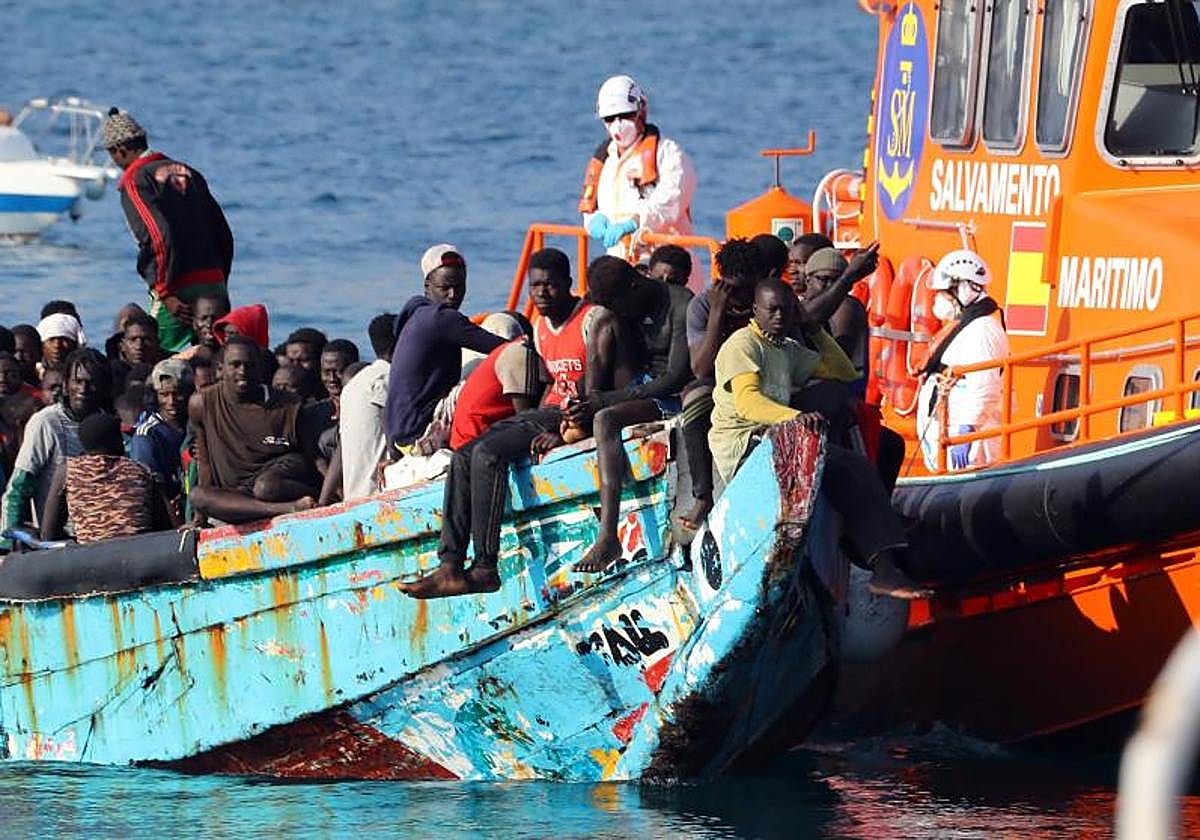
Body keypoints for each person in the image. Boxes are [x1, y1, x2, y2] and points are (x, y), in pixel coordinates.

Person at [399, 250, 623, 599]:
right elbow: (550, 383)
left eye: (550, 285)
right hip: (548, 411)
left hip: (571, 413)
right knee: (463, 456)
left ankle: (485, 567)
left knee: (488, 453)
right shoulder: (542, 329)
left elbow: (595, 392)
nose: (541, 294)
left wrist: (560, 432)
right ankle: (450, 565)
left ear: (568, 285)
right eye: (535, 286)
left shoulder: (591, 320)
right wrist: (530, 416)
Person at [710, 278, 930, 599]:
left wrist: (813, 328)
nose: (780, 317)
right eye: (771, 310)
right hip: (746, 442)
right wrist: (795, 417)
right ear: (755, 310)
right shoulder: (743, 345)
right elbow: (748, 403)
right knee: (850, 467)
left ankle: (878, 558)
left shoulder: (783, 348)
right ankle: (881, 565)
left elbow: (844, 372)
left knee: (833, 394)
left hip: (778, 434)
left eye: (787, 310)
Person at [569, 256, 693, 572]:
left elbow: (677, 376)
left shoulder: (680, 303)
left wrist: (609, 400)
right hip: (638, 382)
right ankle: (583, 413)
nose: (619, 309)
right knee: (602, 320)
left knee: (605, 419)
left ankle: (608, 537)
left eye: (617, 301)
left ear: (634, 285)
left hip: (671, 393)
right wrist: (593, 395)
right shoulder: (621, 307)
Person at [102, 109, 234, 354]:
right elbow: (224, 234)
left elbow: (158, 236)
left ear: (120, 149)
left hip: (177, 287)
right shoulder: (189, 172)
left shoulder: (135, 179)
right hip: (214, 281)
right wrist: (220, 280)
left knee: (147, 354)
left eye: (112, 155)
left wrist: (164, 290)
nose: (115, 162)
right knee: (214, 356)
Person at [677, 239, 764, 530]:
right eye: (731, 287)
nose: (738, 296)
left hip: (763, 380)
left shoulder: (766, 302)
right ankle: (703, 495)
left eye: (745, 288)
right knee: (693, 397)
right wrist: (718, 313)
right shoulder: (702, 305)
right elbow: (700, 368)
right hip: (718, 384)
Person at [385, 244, 505, 452]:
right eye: (445, 288)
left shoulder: (415, 315)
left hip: (399, 433)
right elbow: (502, 348)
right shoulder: (441, 318)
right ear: (427, 286)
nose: (453, 295)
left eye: (460, 287)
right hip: (421, 429)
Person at [579, 75, 698, 286]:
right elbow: (591, 205)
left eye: (625, 115)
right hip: (620, 264)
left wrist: (634, 222)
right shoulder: (605, 161)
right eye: (610, 118)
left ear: (640, 112)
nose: (618, 125)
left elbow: (672, 199)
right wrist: (593, 222)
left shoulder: (667, 153)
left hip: (668, 267)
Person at [187, 336, 320, 524]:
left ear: (259, 369)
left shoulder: (287, 404)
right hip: (240, 493)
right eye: (235, 365)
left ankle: (301, 504)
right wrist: (199, 519)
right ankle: (287, 509)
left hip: (279, 477)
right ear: (220, 370)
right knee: (198, 497)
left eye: (249, 365)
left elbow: (314, 457)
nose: (243, 372)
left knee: (266, 487)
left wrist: (333, 497)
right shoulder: (201, 404)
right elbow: (205, 463)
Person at [1, 348, 112, 541]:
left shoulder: (107, 424)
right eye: (78, 382)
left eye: (91, 383)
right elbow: (18, 488)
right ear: (66, 384)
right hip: (57, 539)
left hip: (100, 535)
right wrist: (9, 541)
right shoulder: (46, 422)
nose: (83, 390)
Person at [916, 249, 1010, 471]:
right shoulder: (967, 326)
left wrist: (967, 429)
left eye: (945, 293)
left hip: (971, 446)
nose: (938, 299)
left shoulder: (982, 331)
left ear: (965, 288)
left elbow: (985, 387)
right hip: (950, 436)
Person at [41, 412, 174, 543]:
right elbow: (165, 526)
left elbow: (48, 534)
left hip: (91, 557)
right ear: (118, 441)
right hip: (139, 555)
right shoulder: (142, 471)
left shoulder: (68, 471)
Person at [449, 313, 540, 451]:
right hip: (475, 444)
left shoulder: (484, 361)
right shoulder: (518, 353)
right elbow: (526, 418)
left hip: (463, 441)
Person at [338, 313, 397, 501]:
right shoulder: (386, 378)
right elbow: (392, 437)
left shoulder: (356, 382)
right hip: (376, 491)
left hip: (354, 492)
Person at [130, 358, 194, 518]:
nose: (171, 402)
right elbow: (153, 490)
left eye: (178, 394)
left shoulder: (200, 425)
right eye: (164, 395)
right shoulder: (147, 434)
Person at [801, 247, 870, 387]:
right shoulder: (799, 305)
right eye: (824, 279)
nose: (831, 286)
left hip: (838, 391)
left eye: (837, 280)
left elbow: (839, 357)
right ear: (808, 279)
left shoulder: (846, 305)